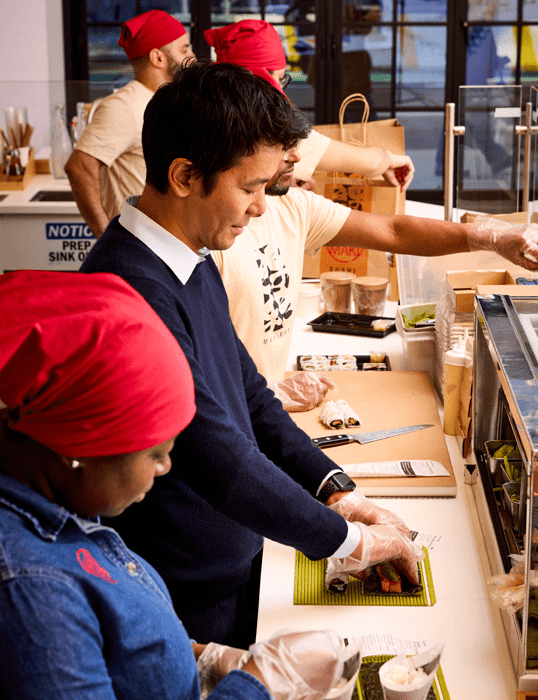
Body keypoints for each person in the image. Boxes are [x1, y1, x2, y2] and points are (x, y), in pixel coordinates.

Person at [80, 59, 424, 647]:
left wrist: (337, 489)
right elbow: (214, 454)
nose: (262, 206)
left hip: (235, 559)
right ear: (185, 175)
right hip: (184, 590)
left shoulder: (189, 256)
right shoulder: (131, 288)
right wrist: (347, 542)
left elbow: (252, 401)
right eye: (250, 187)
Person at [0, 269, 354, 700]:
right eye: (154, 452)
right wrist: (260, 681)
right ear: (80, 447)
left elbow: (113, 650)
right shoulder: (33, 595)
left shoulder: (62, 502)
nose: (167, 466)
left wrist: (201, 660)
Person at [204, 19, 414, 190]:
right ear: (263, 78)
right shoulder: (269, 126)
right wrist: (389, 159)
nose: (281, 90)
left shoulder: (203, 110)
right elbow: (370, 164)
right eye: (279, 79)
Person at [65, 10, 194, 237]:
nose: (191, 55)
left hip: (169, 243)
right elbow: (79, 167)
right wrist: (105, 234)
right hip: (138, 245)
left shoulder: (167, 102)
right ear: (158, 57)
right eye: (184, 49)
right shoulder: (123, 106)